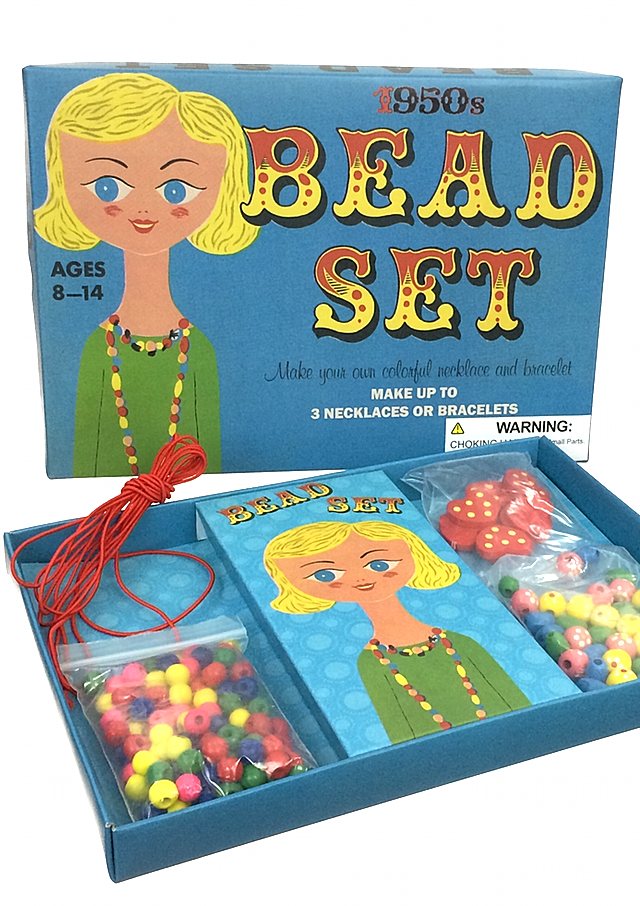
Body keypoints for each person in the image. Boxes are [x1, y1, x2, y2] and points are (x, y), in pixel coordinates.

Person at [35, 72, 259, 476]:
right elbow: (85, 460)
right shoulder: (99, 348)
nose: (142, 209)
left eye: (176, 190)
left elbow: (211, 463)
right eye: (107, 187)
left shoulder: (197, 350)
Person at [264, 520, 530, 743]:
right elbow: (398, 732)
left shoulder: (460, 643)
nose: (359, 578)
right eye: (325, 575)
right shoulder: (372, 662)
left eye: (379, 564)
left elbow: (519, 702)